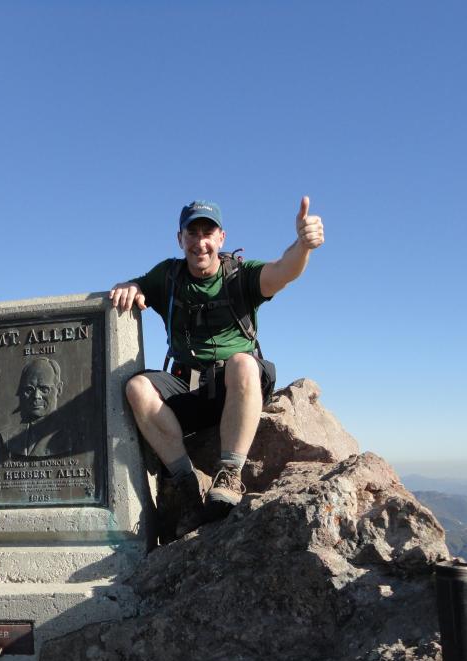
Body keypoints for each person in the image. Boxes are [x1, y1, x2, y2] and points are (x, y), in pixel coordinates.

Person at [109, 197, 325, 541]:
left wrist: (303, 245)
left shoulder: (240, 276)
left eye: (207, 232)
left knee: (241, 361)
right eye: (191, 233)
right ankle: (185, 482)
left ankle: (230, 472)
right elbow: (136, 284)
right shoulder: (168, 276)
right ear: (180, 239)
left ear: (221, 237)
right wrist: (130, 286)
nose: (200, 242)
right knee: (137, 388)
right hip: (188, 387)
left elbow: (284, 270)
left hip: (239, 385)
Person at [0, 357, 72, 459]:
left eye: (44, 389)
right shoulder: (7, 437)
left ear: (59, 389)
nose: (36, 396)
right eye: (29, 390)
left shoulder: (70, 436)